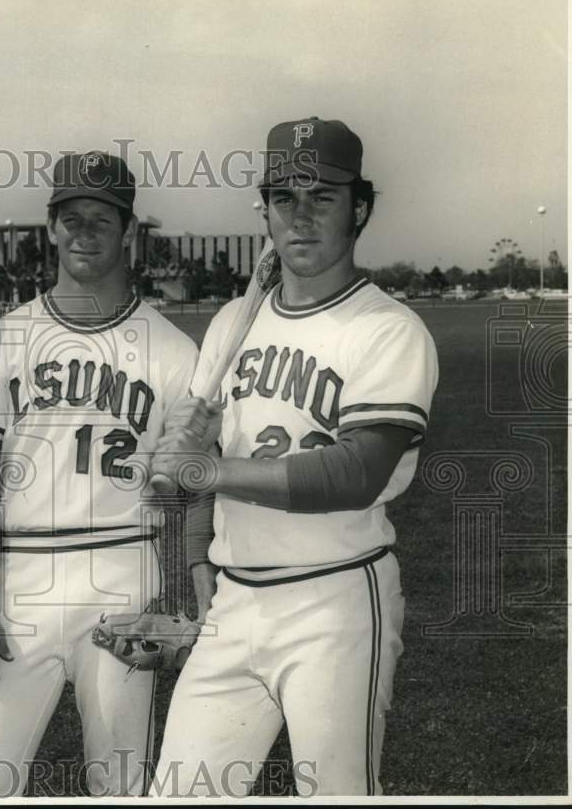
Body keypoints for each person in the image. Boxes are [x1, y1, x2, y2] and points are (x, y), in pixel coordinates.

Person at [150, 117, 439, 797]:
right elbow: (203, 458)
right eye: (285, 199)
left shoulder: (389, 330)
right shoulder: (231, 321)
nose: (301, 217)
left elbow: (354, 473)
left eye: (322, 198)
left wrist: (207, 471)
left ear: (360, 208)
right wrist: (198, 564)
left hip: (335, 598)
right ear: (265, 211)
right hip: (234, 600)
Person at [0, 152, 199, 797]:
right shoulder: (4, 340)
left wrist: (171, 602)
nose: (86, 232)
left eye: (103, 220)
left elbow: (184, 493)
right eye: (72, 217)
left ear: (127, 230)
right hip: (21, 576)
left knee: (119, 785)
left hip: (124, 572)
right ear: (51, 227)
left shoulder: (173, 349)